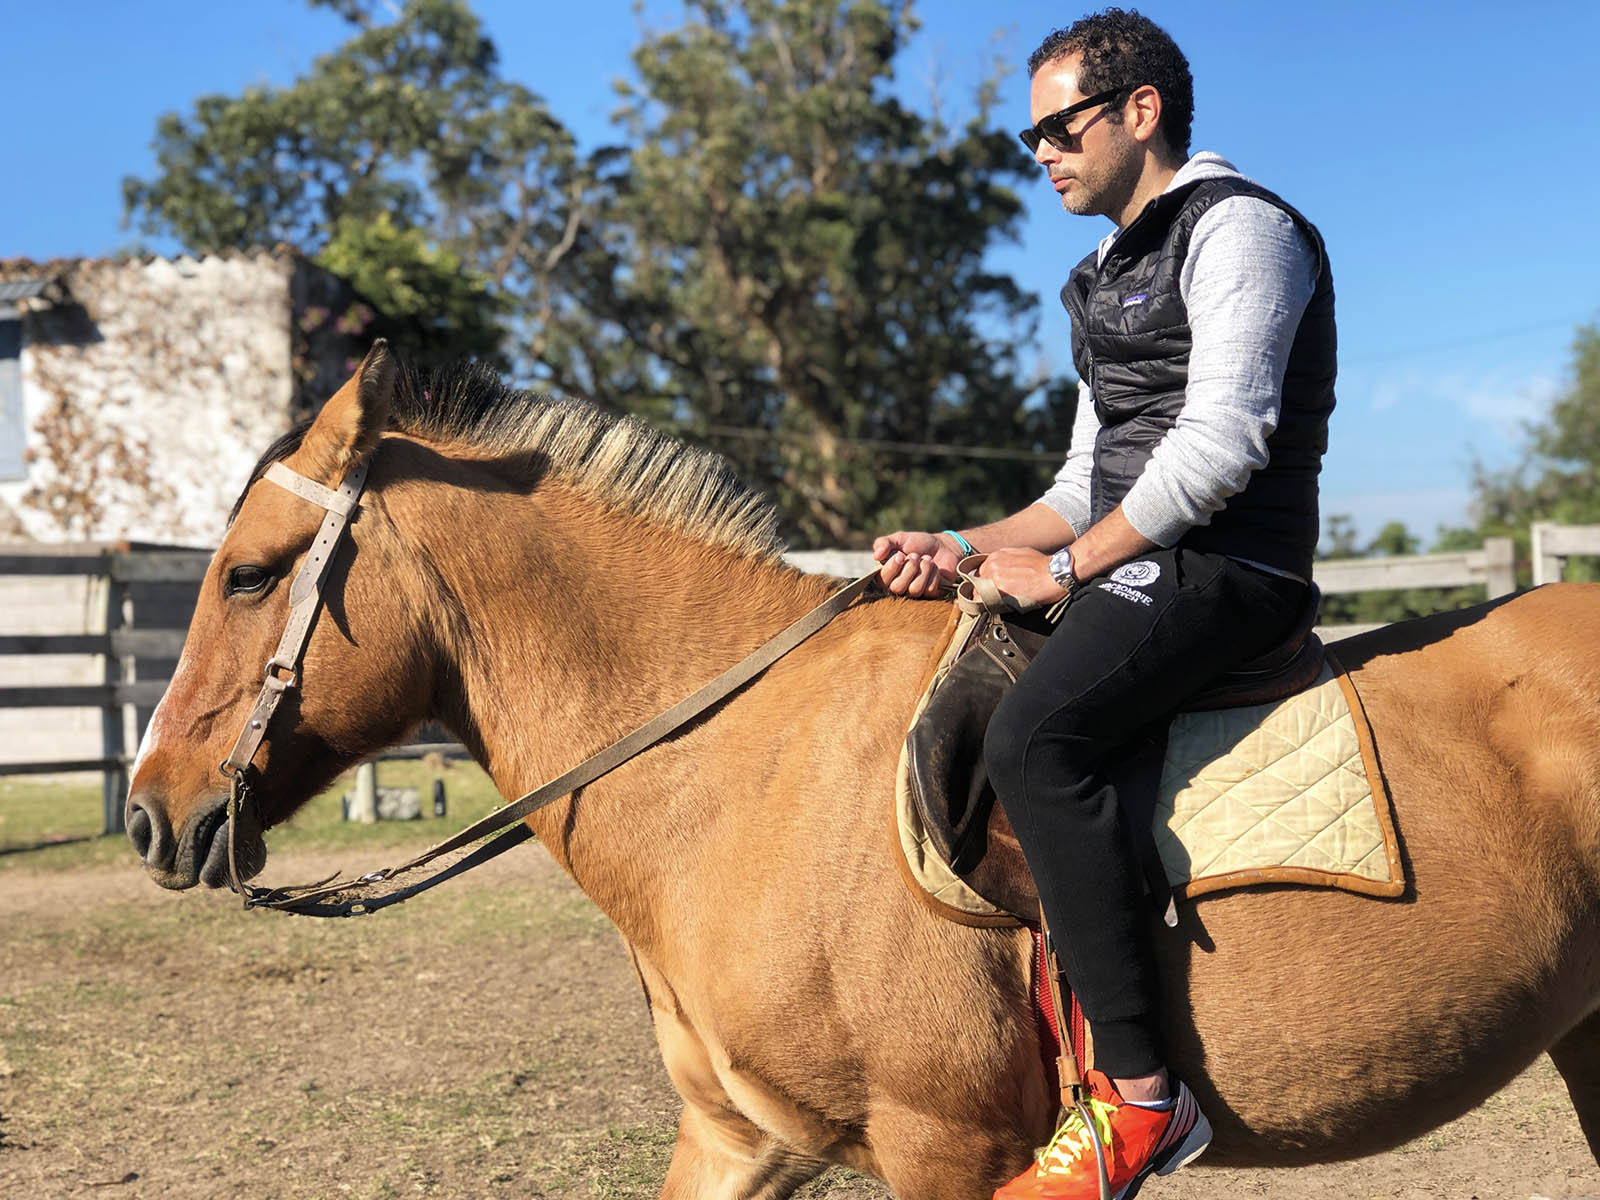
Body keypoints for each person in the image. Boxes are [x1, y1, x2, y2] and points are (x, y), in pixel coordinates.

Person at [872, 8, 1336, 1199]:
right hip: (1135, 557)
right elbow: (1084, 483)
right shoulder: (1096, 276)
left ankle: (1139, 1097)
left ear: (1140, 112)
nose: (1040, 154)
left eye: (1056, 128)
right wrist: (962, 542)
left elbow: (1224, 444)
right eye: (1028, 138)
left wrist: (1069, 571)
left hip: (1231, 567)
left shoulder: (1242, 230)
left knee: (1039, 737)